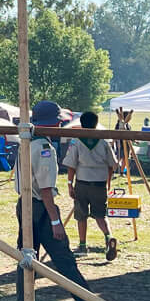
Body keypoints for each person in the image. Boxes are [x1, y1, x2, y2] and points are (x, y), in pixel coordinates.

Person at [14, 100, 115, 301]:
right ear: (54, 122)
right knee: (65, 260)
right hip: (41, 208)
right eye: (59, 122)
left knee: (26, 258)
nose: (61, 125)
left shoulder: (25, 142)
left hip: (26, 205)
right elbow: (46, 189)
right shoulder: (43, 148)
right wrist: (56, 220)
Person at [64, 111, 119, 259]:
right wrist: (108, 182)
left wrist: (70, 184)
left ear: (81, 124)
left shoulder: (76, 141)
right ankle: (108, 237)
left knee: (81, 215)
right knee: (101, 214)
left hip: (82, 183)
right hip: (99, 183)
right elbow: (112, 165)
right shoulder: (104, 141)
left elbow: (71, 165)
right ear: (96, 123)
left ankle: (82, 246)